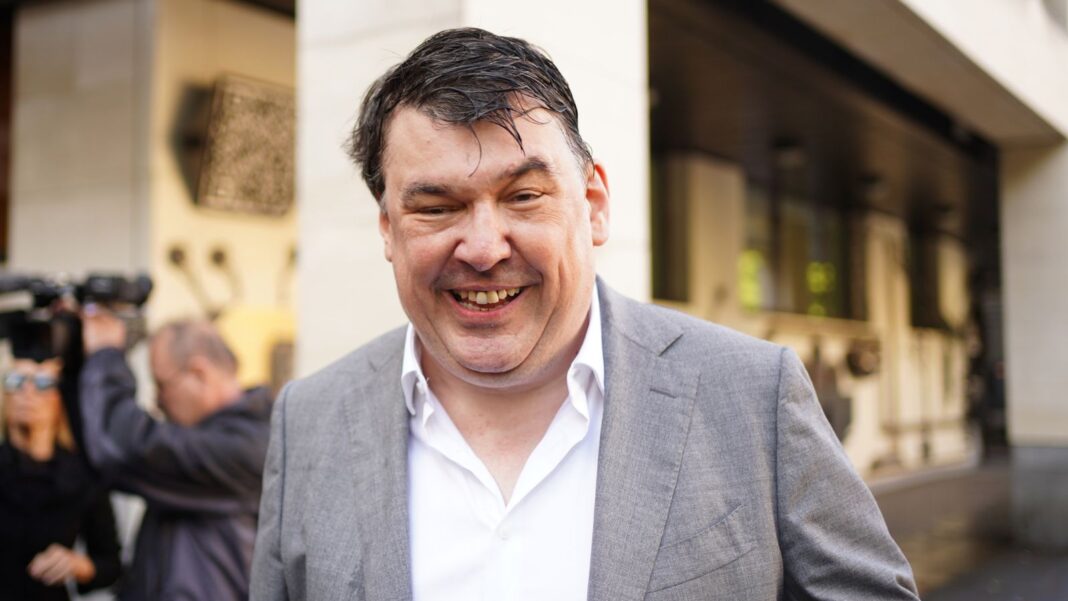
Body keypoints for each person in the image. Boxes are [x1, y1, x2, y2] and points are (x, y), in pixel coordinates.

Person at [250, 27, 920, 600]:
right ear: (389, 231)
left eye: (524, 196)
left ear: (594, 205)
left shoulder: (751, 395)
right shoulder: (309, 420)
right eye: (436, 207)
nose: (483, 248)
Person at [78, 313, 273, 601]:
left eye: (161, 385)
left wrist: (105, 356)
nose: (157, 401)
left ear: (198, 373)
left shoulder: (246, 449)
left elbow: (121, 448)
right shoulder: (220, 438)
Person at [0, 318, 121, 601]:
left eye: (43, 383)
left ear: (59, 395)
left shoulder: (81, 476)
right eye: (16, 381)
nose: (28, 393)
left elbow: (110, 563)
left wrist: (79, 566)